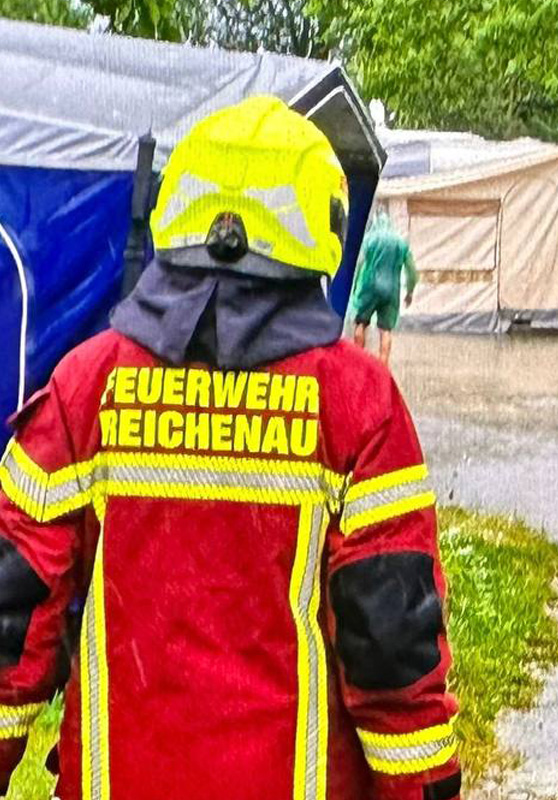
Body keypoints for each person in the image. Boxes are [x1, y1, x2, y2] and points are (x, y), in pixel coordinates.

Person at [0, 96, 459, 800]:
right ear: (322, 229)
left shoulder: (84, 387)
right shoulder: (358, 403)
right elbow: (392, 650)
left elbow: (11, 620)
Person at [351, 209, 419, 364]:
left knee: (361, 322)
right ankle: (383, 366)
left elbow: (360, 264)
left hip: (369, 287)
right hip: (391, 290)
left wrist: (355, 286)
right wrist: (409, 292)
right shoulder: (400, 243)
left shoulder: (370, 238)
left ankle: (358, 361)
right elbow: (412, 272)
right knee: (385, 330)